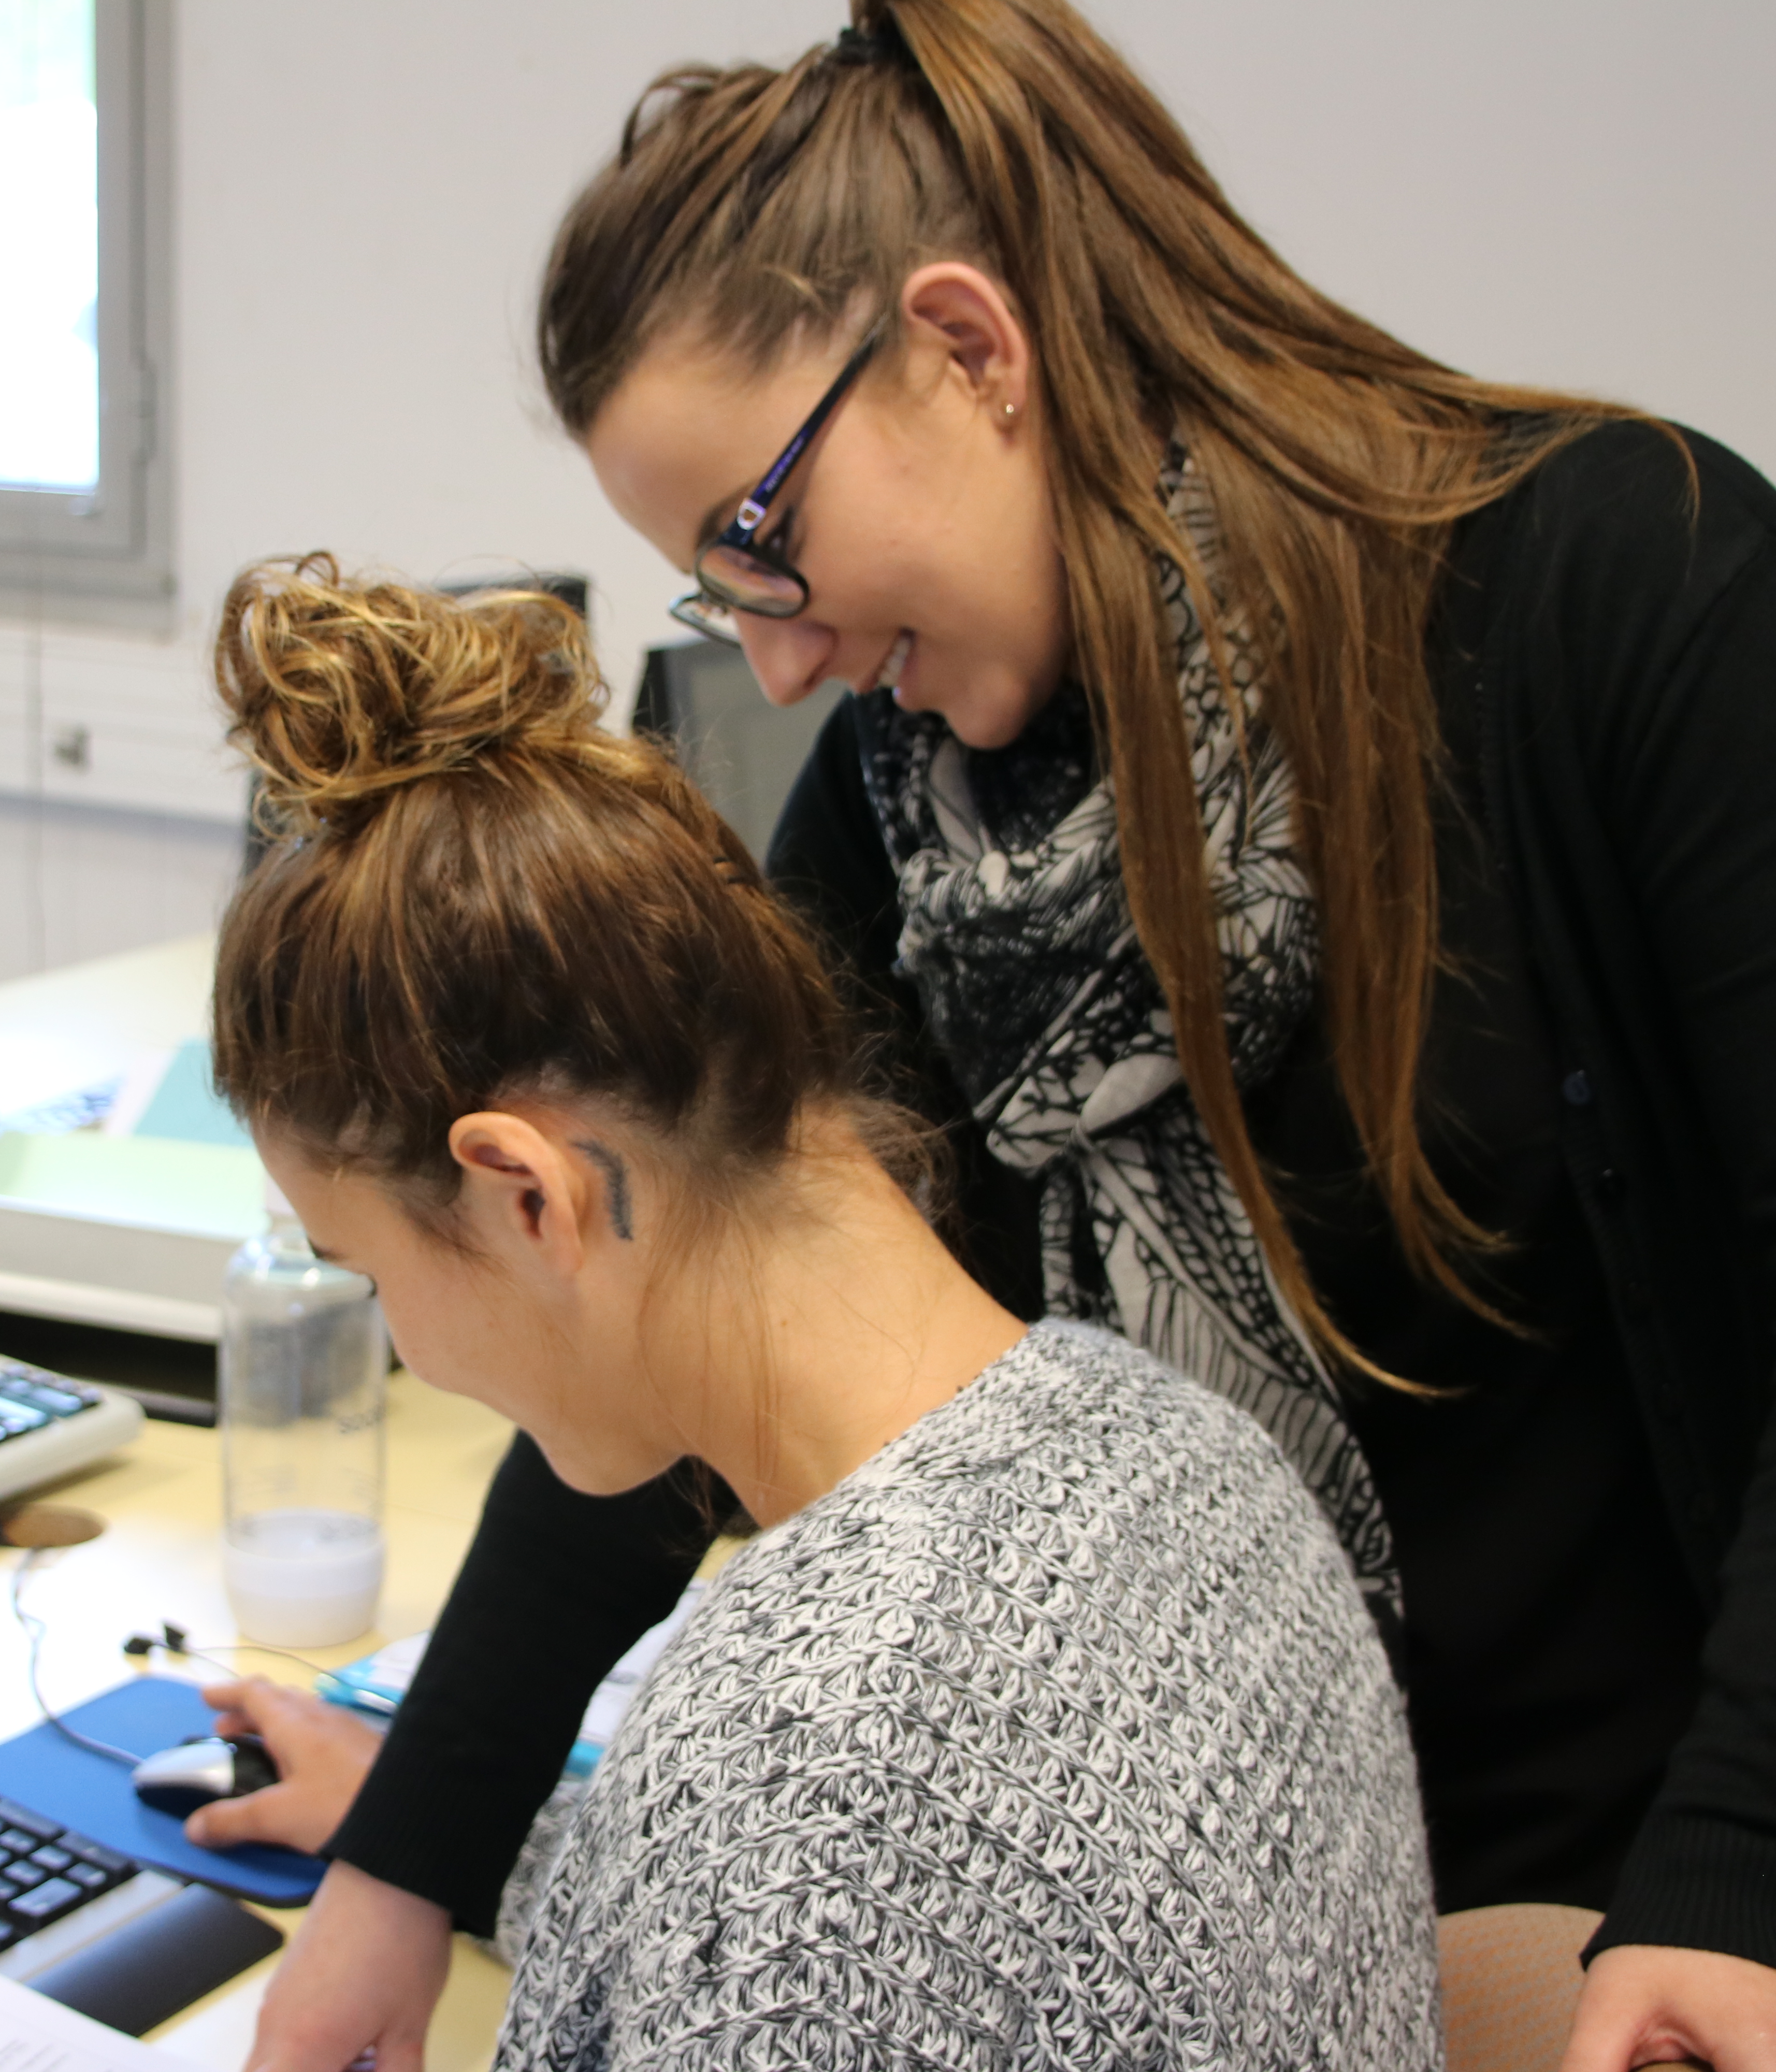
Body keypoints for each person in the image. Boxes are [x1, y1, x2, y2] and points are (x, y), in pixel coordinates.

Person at [193, 8, 1776, 2072]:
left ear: (968, 349)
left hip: (1631, 1891)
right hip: (1139, 1873)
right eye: (720, 595)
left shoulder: (1624, 589)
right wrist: (408, 1862)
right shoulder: (908, 800)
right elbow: (672, 1275)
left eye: (758, 539)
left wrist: (1741, 1855)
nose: (784, 654)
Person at [198, 555, 1442, 2068]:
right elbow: (941, 1969)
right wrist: (520, 1867)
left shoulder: (806, 1772)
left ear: (530, 1196)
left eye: (374, 1272)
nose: (404, 1345)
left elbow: (826, 1907)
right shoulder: (1196, 1457)